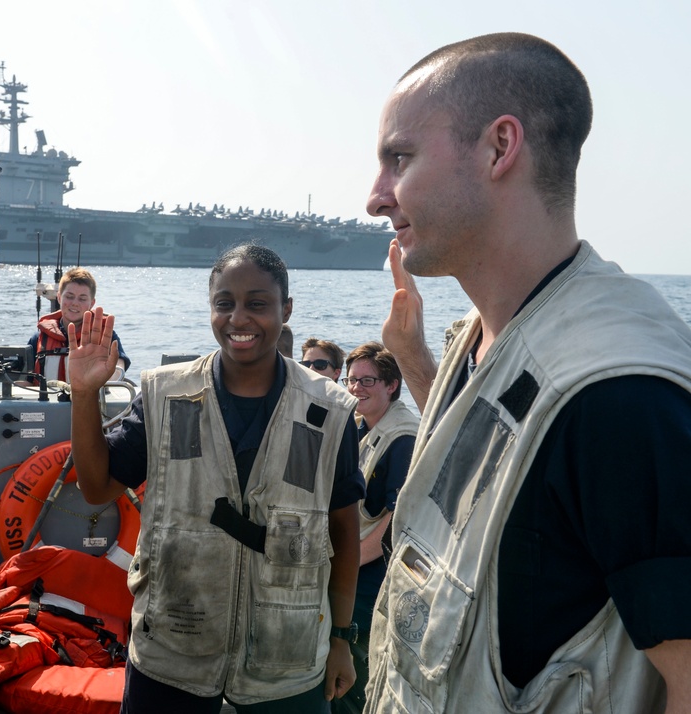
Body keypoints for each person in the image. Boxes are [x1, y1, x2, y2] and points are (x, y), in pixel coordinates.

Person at [364, 32, 691, 712]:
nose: (377, 196)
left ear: (499, 148)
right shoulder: (482, 341)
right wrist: (419, 360)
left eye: (400, 158)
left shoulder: (620, 396)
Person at [67, 245, 365, 713]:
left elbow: (344, 531)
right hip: (172, 655)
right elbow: (96, 487)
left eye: (257, 303)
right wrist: (83, 393)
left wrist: (342, 638)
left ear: (286, 310)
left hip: (286, 661)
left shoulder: (328, 412)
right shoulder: (168, 396)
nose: (238, 318)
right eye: (224, 303)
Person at [333, 342, 417, 714]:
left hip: (375, 572)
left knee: (355, 658)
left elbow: (395, 522)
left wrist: (343, 565)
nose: (356, 388)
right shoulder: (358, 426)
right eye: (351, 380)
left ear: (392, 385)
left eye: (368, 380)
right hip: (350, 561)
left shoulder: (404, 438)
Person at [26, 267, 130, 383]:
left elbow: (119, 367)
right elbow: (24, 378)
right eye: (69, 297)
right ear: (59, 298)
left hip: (90, 399)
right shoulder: (38, 338)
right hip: (46, 400)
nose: (75, 303)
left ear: (92, 303)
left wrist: (101, 381)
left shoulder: (107, 335)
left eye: (82, 299)